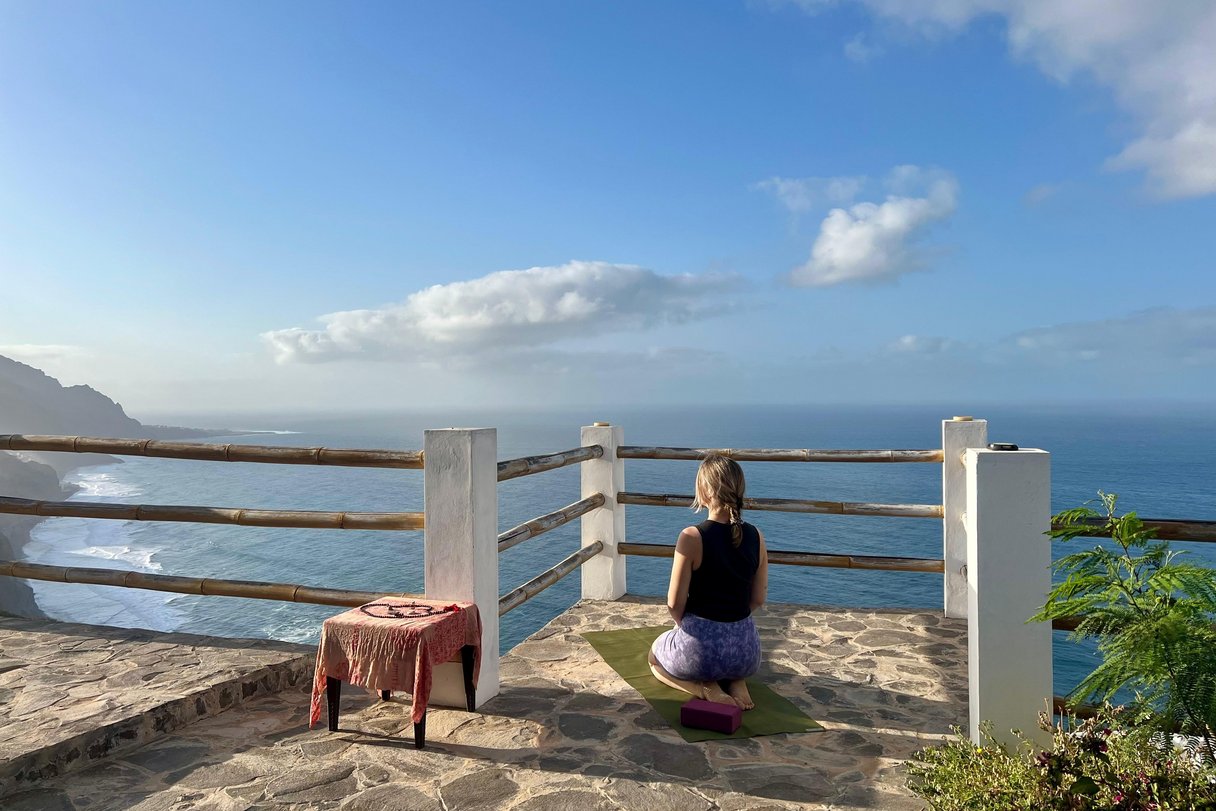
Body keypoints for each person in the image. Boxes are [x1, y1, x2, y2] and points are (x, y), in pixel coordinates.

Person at [647, 453, 768, 710]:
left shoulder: (691, 537)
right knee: (727, 656)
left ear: (704, 491)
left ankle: (702, 688)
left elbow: (674, 603)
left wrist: (690, 629)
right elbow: (758, 599)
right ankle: (736, 681)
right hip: (746, 653)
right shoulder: (757, 536)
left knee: (654, 657)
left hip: (701, 652)